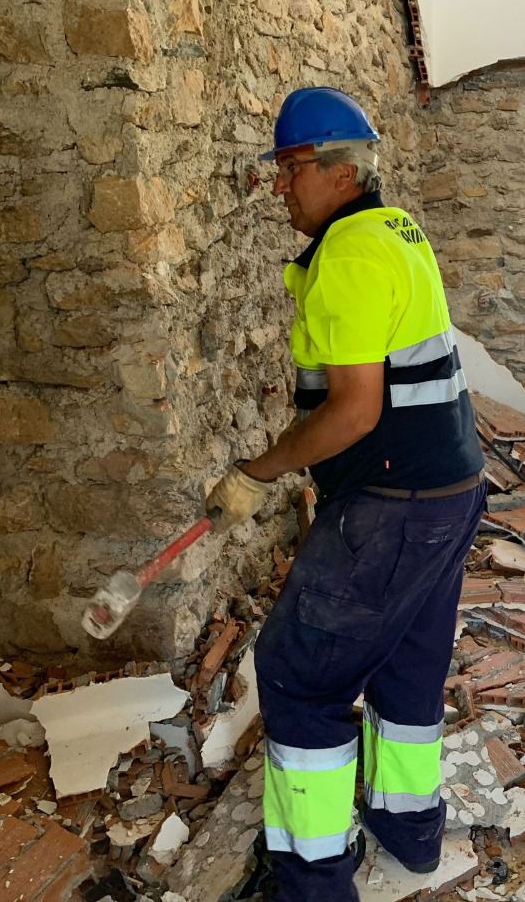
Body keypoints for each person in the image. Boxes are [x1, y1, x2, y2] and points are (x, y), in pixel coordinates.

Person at [204, 86, 486, 901]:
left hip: (391, 507)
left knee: (297, 676)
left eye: (291, 170)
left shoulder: (348, 257)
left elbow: (356, 411)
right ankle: (409, 831)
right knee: (406, 662)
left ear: (337, 172)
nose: (282, 188)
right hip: (448, 490)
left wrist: (259, 472)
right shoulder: (395, 229)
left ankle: (314, 877)